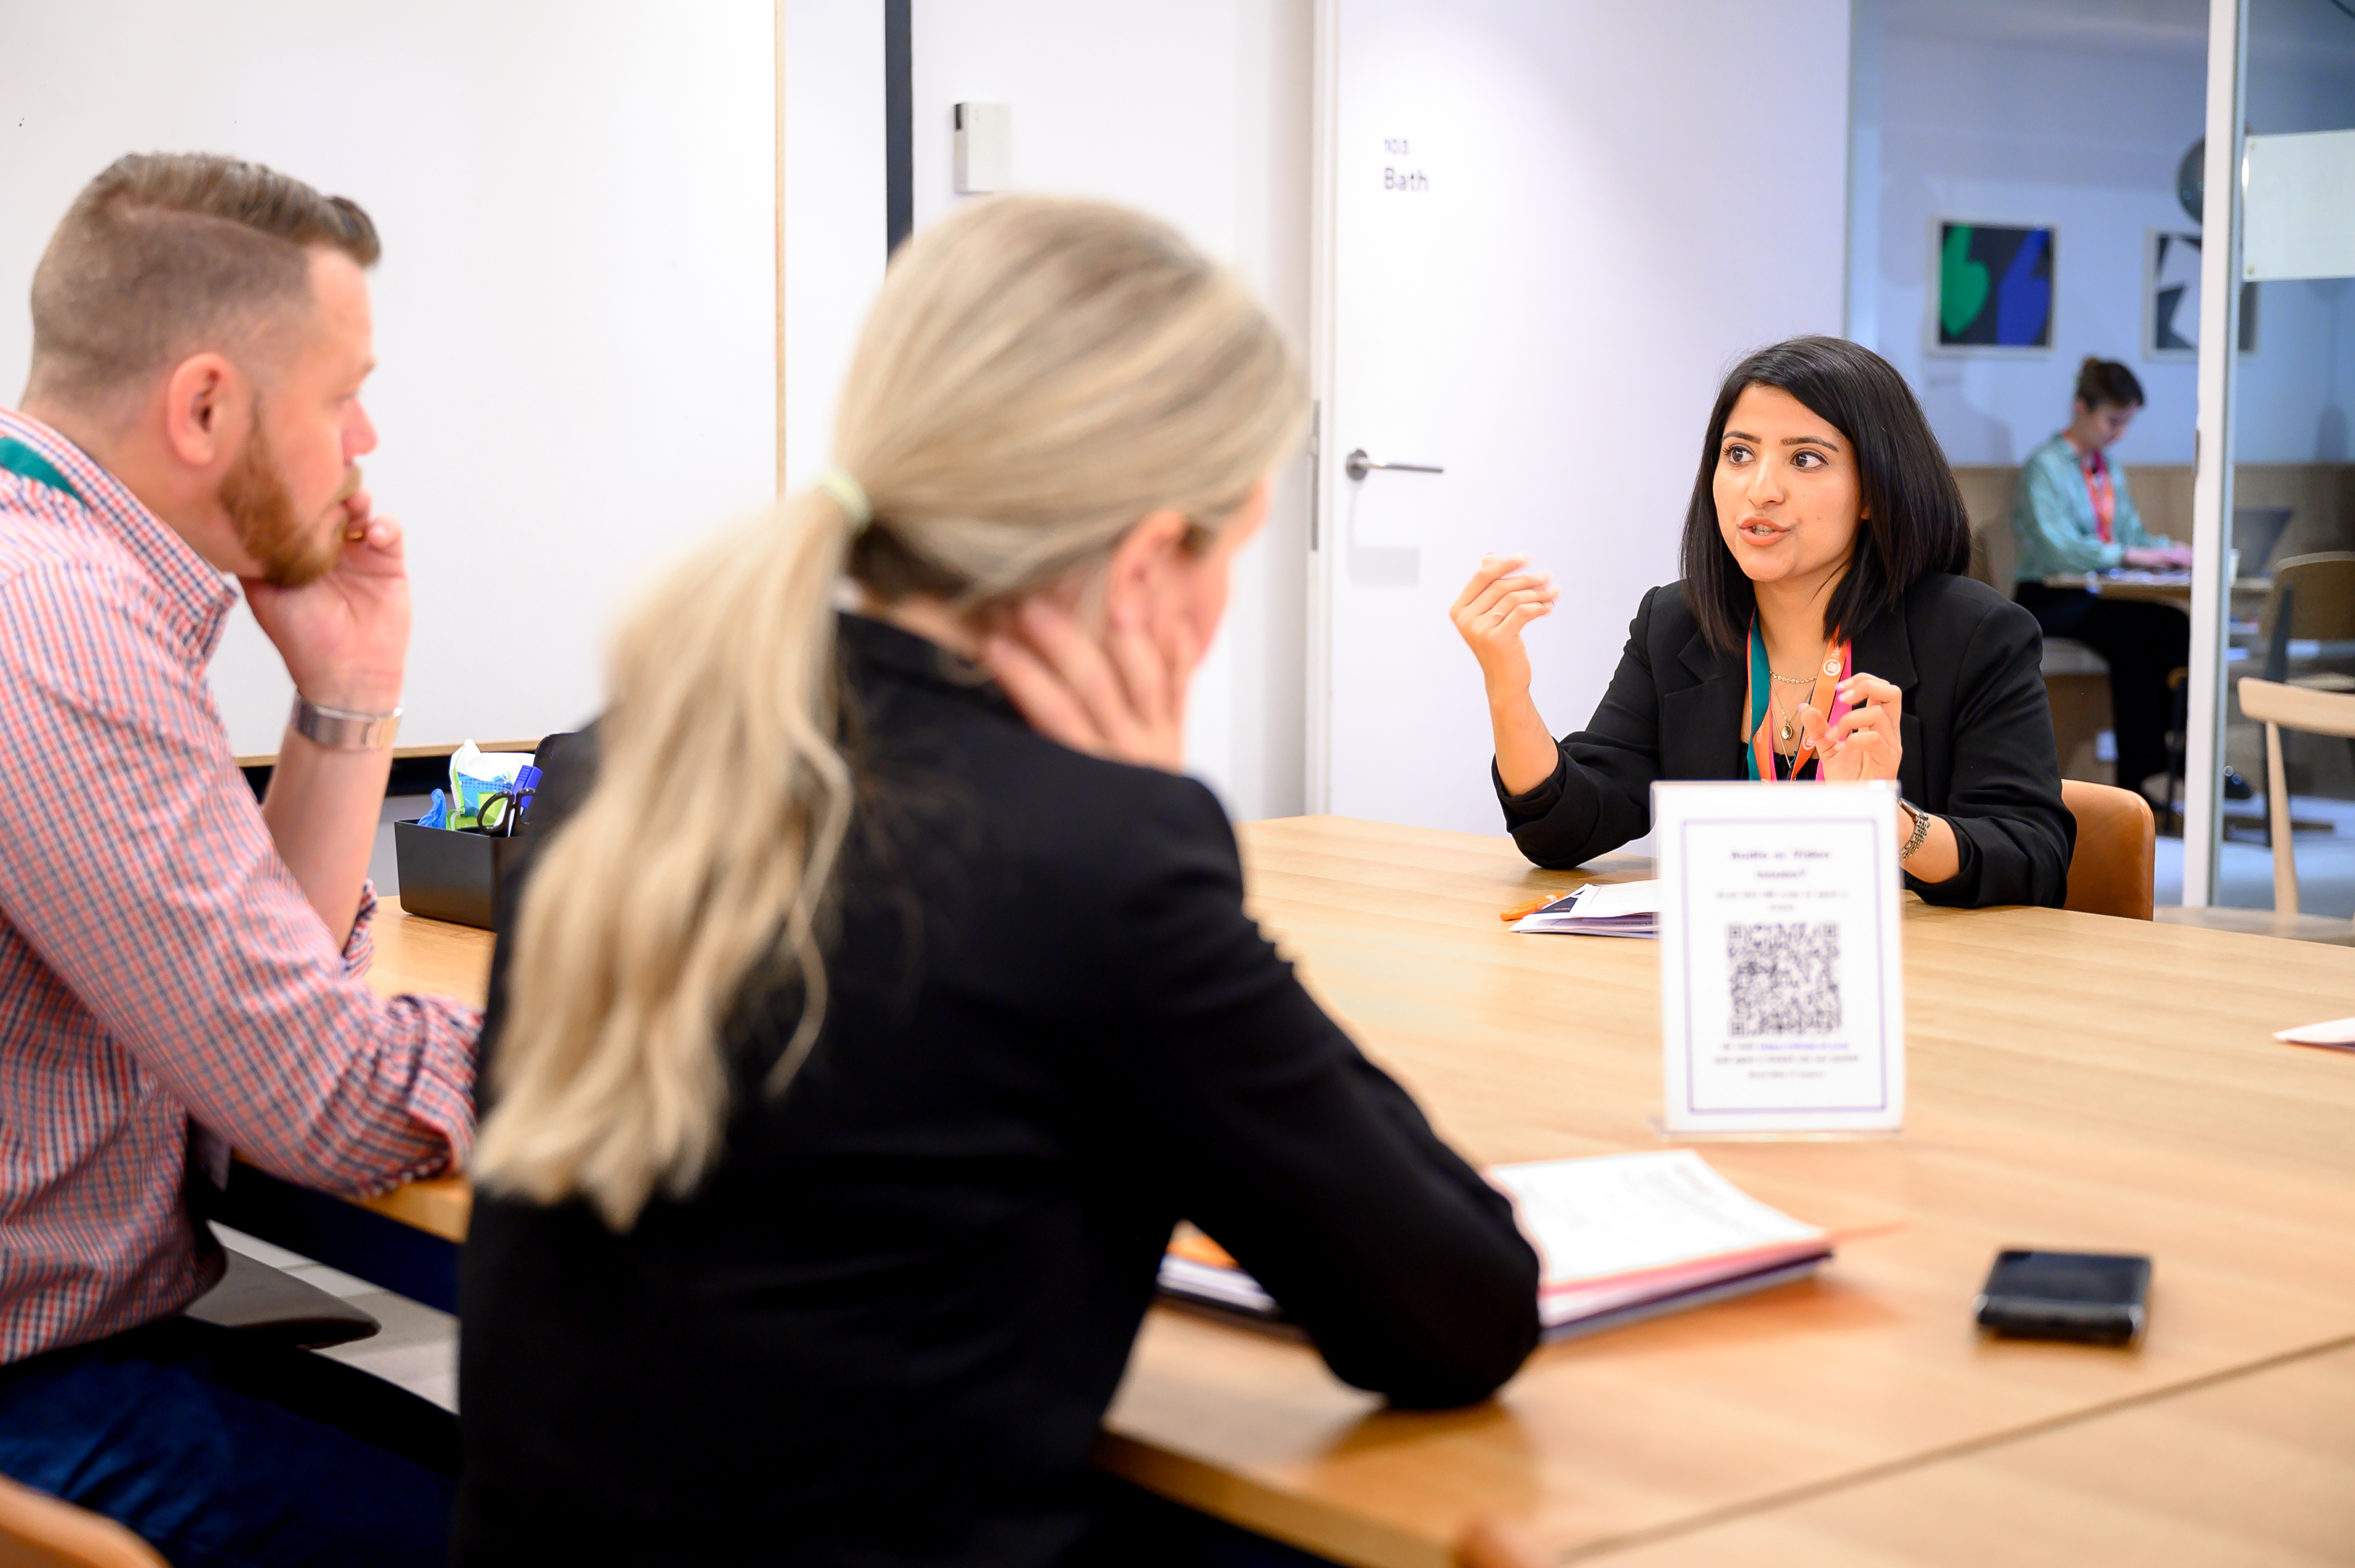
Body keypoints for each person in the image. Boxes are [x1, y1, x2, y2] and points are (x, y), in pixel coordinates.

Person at [454, 195, 1540, 1567]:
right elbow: (1458, 1309)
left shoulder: (612, 775)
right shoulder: (1096, 861)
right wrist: (1160, 834)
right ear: (1149, 566)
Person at [0, 155, 476, 1566]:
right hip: (40, 1399)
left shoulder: (46, 568)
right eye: (340, 395)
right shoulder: (63, 625)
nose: (367, 436)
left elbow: (239, 1010)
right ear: (206, 403)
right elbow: (321, 1101)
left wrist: (344, 691)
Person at [1453, 334, 2073, 908]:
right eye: (1739, 453)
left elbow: (2034, 857)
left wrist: (1888, 819)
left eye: (1805, 459)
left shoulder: (1975, 634)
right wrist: (1507, 688)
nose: (1762, 489)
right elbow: (1564, 831)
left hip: (1924, 988)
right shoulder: (1676, 623)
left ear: (1874, 492)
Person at [2010, 357, 2194, 808]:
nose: (2119, 433)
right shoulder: (2045, 467)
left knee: (2155, 632)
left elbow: (2130, 536)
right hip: (2047, 596)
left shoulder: (2107, 468)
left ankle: (2151, 771)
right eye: (2113, 420)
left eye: (2126, 422)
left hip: (2097, 596)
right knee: (2155, 628)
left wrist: (2169, 552)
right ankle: (2166, 762)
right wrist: (2135, 555)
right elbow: (2059, 549)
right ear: (2081, 408)